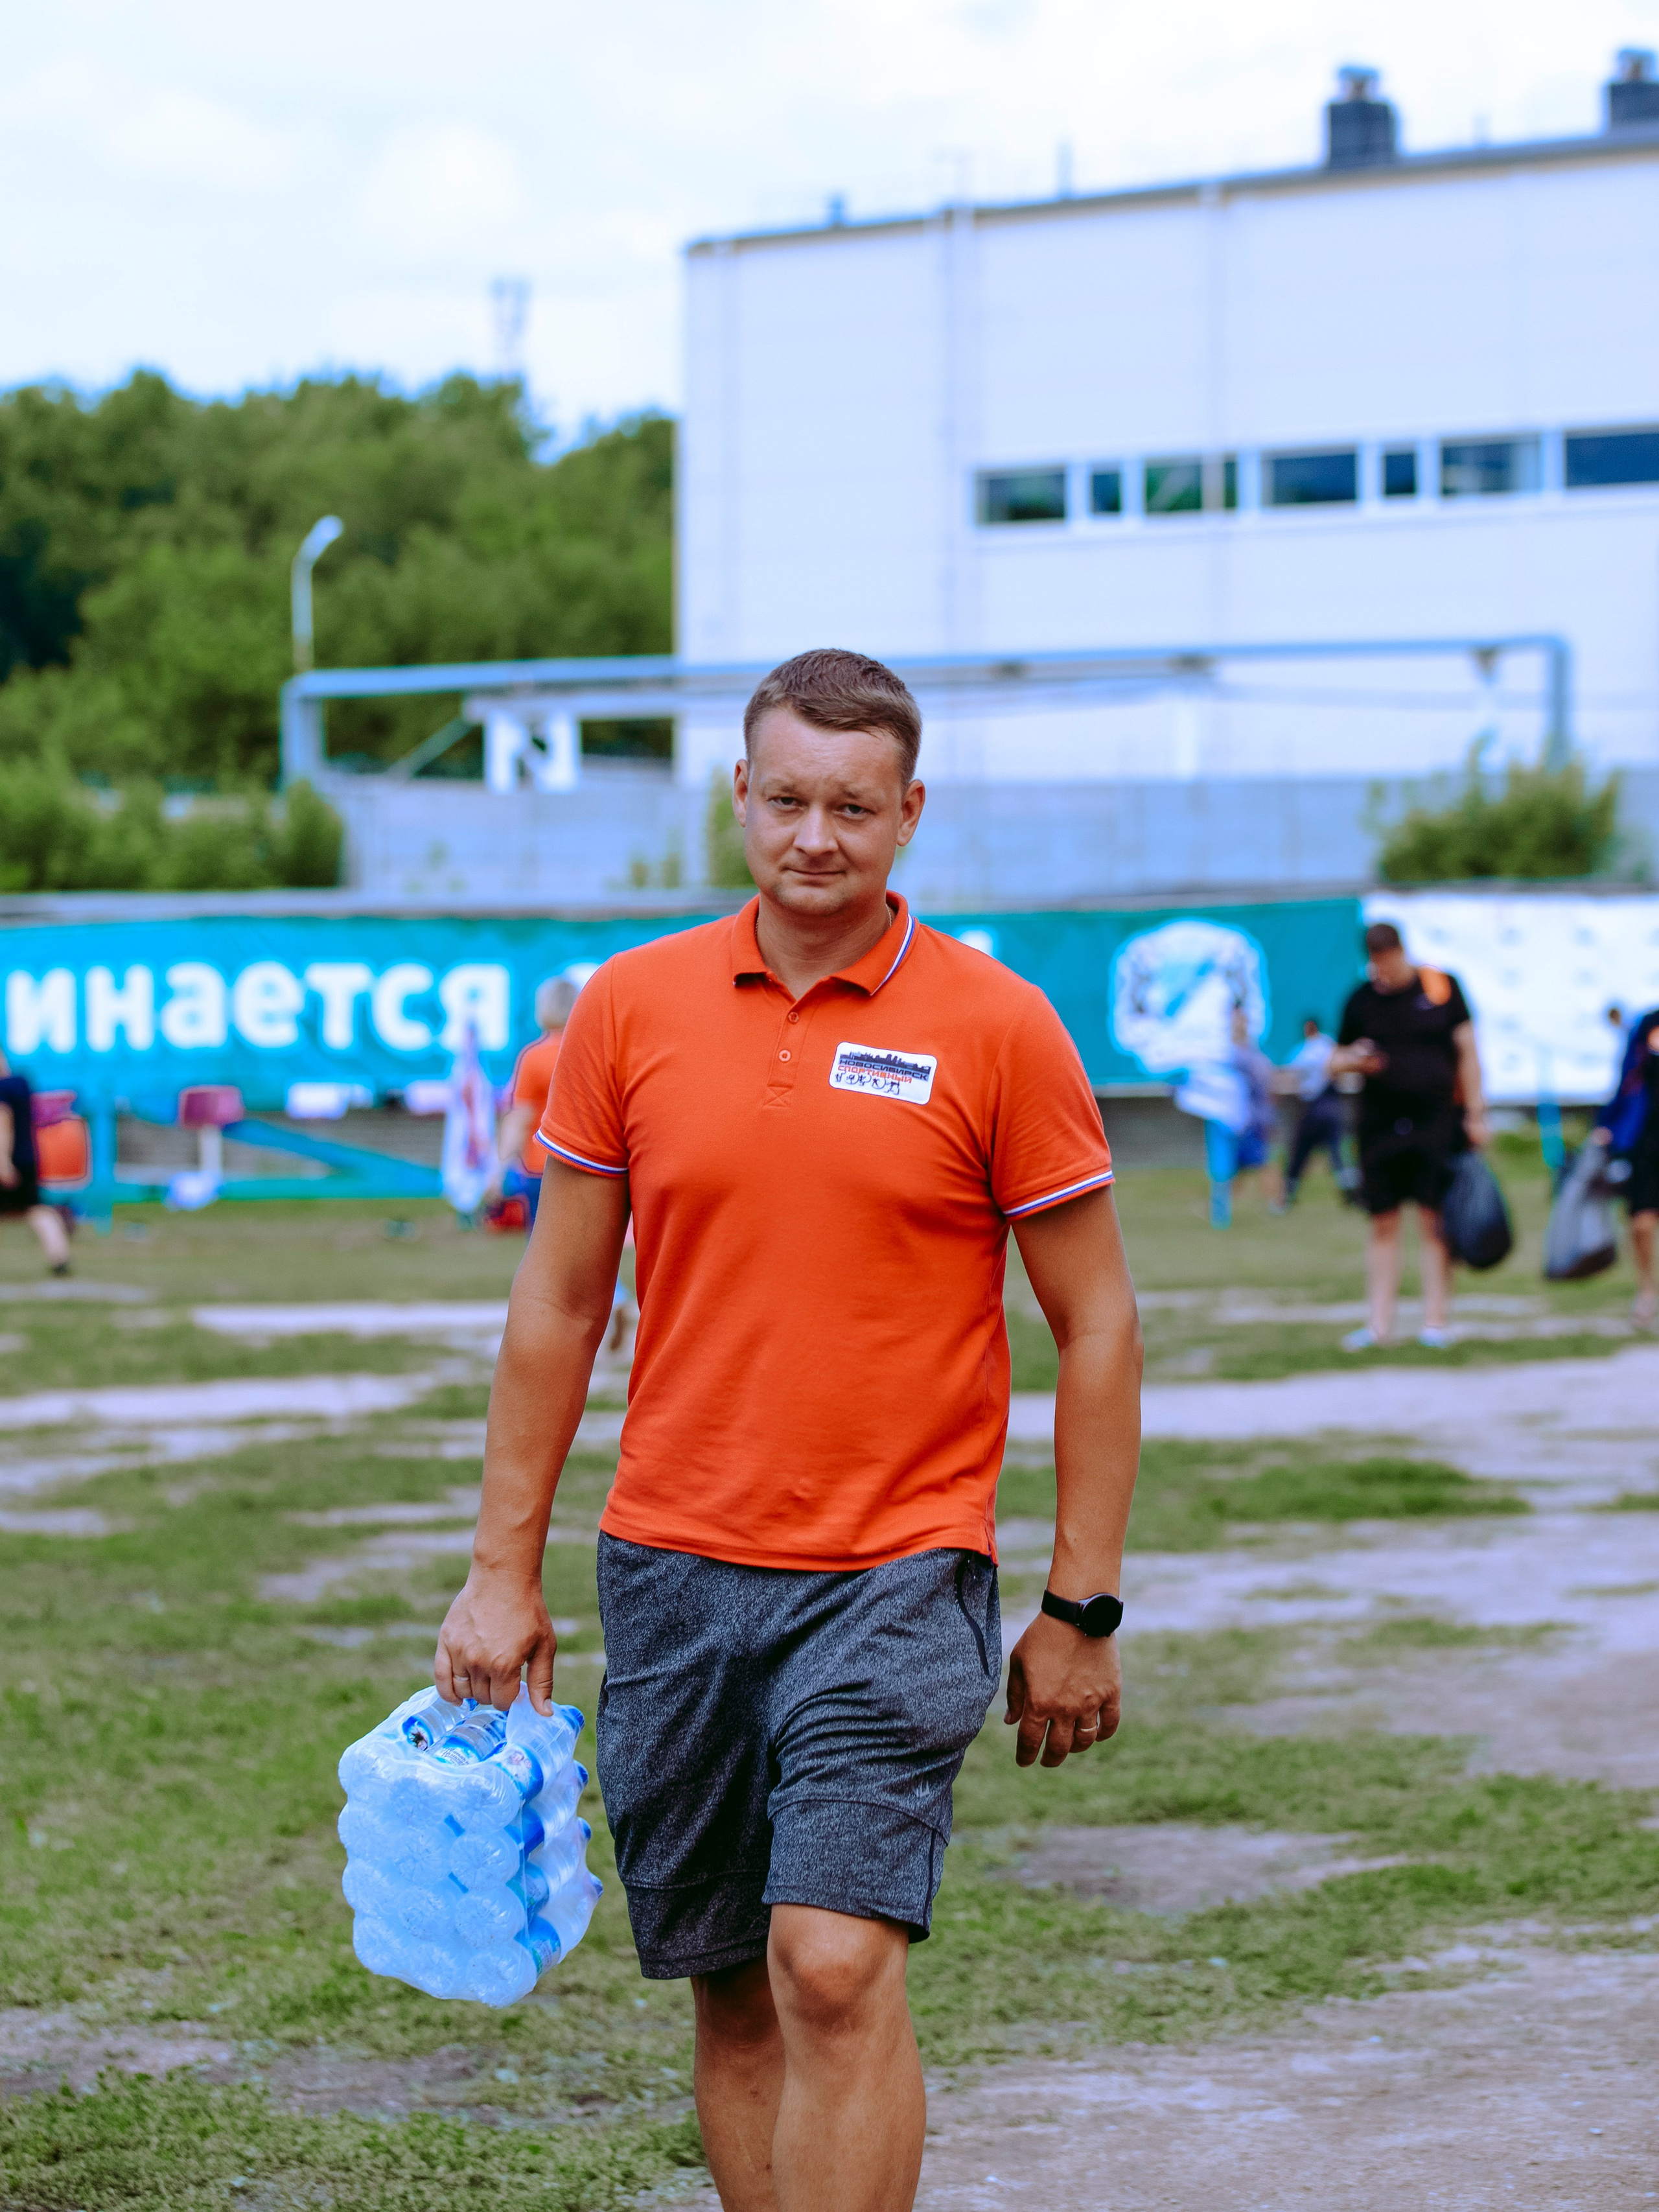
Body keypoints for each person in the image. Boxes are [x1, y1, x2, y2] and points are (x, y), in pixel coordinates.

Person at [435, 647, 1143, 2212]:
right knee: (736, 1991)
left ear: (908, 809)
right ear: (735, 796)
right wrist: (501, 1570)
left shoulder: (997, 1025)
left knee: (827, 1962)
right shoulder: (628, 1008)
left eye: (852, 806)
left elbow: (1093, 1322)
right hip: (673, 1570)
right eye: (783, 799)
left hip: (895, 1571)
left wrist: (1077, 1602)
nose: (813, 836)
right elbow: (555, 1306)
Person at [1329, 921, 1489, 1351]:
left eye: (1389, 959)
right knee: (1382, 1219)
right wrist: (1355, 1061)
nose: (1384, 969)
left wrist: (1476, 1113)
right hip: (1380, 1125)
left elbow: (1468, 1052)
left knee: (1434, 1219)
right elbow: (1334, 1059)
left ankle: (1436, 1320)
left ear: (1401, 951)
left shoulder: (1439, 986)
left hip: (1436, 1120)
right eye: (1376, 962)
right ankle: (1379, 1323)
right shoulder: (1361, 999)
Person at [491, 975, 583, 1230]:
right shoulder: (594, 1051)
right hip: (590, 1166)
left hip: (543, 1167)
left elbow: (519, 1120)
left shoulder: (534, 1058)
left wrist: (498, 1171)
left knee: (546, 1258)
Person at [1590, 1002, 1659, 1331]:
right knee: (1641, 1224)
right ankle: (1648, 1291)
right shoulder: (1648, 1024)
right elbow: (1627, 1079)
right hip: (1646, 1141)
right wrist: (1607, 1124)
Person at [0, 1053, 71, 1275]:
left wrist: (3, 1161)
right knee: (35, 1209)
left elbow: (4, 1125)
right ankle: (60, 1257)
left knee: (34, 1210)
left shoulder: (3, 1090)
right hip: (29, 1157)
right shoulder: (22, 1084)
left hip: (9, 1159)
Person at [1277, 1014, 1350, 1207]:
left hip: (1312, 1108)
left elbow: (1288, 1075)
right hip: (1331, 1107)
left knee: (1299, 1154)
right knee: (1338, 1155)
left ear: (1307, 1029)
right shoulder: (1330, 1046)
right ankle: (1352, 1196)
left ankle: (1287, 1197)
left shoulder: (1304, 1052)